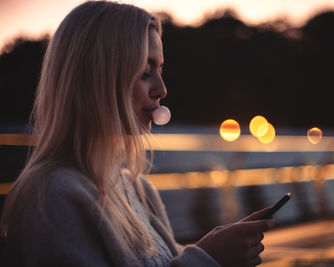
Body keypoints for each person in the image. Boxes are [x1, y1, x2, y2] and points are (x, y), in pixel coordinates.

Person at [0, 1, 275, 266]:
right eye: (145, 72)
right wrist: (208, 259)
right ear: (97, 80)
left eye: (160, 69)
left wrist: (219, 247)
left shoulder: (138, 189)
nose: (162, 89)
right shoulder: (52, 196)